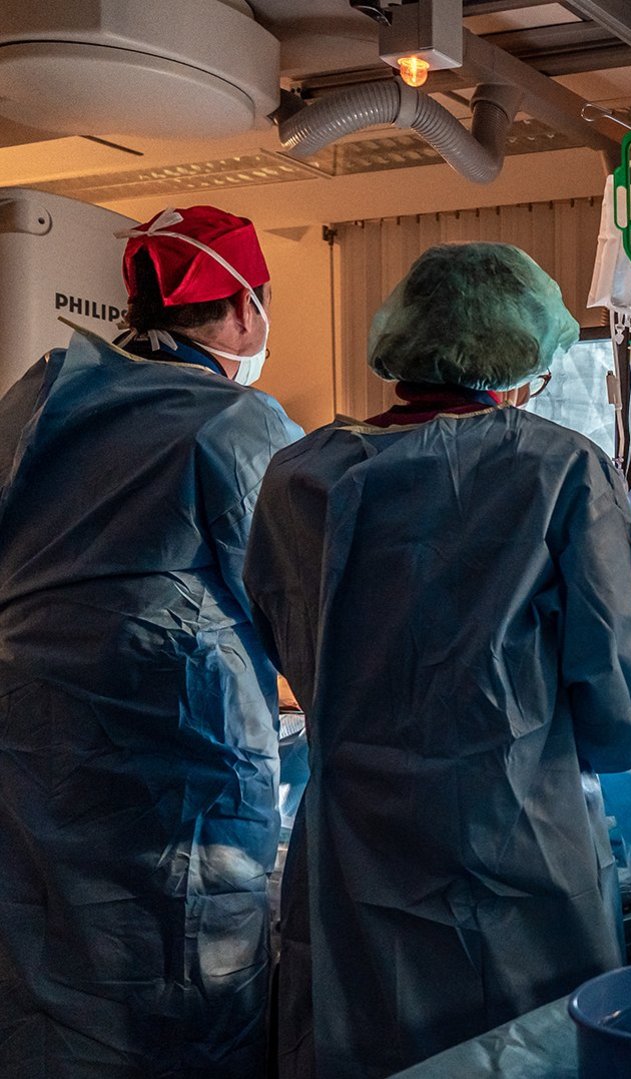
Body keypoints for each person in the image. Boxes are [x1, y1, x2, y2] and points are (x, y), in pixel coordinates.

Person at [244, 242, 631, 1078]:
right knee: (529, 1057)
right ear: (524, 351)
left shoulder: (298, 477)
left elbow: (287, 642)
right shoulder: (555, 470)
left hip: (353, 866)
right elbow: (629, 713)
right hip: (515, 860)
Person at [0, 205, 300, 1076]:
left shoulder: (40, 391)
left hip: (28, 760)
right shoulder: (239, 427)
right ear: (244, 307)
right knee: (175, 1007)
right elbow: (303, 610)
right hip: (174, 785)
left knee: (42, 990)